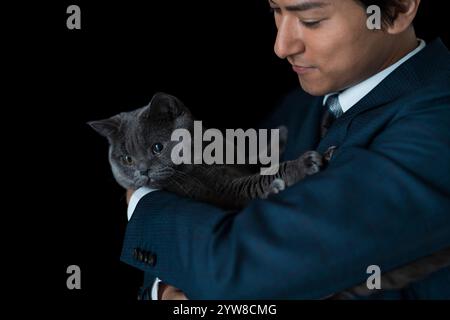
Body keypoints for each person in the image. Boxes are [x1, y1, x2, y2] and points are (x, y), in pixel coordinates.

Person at [122, 0, 450, 299]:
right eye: (276, 11)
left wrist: (143, 201)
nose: (281, 46)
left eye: (311, 20)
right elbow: (212, 198)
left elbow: (238, 271)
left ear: (400, 9)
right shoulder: (305, 104)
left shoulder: (438, 128)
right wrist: (163, 290)